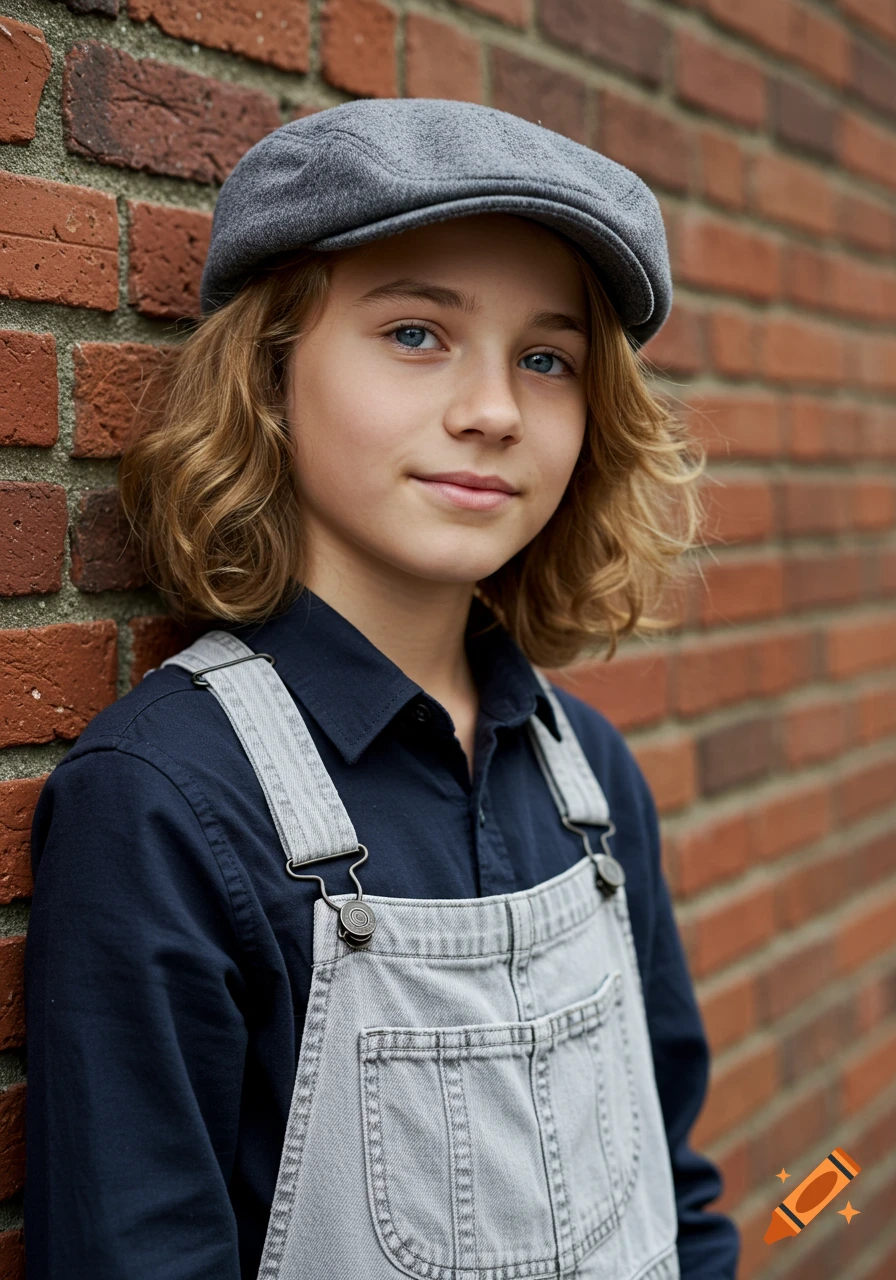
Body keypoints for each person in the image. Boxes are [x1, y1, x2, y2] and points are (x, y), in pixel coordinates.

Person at [25, 99, 740, 1278]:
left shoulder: (589, 778)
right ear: (268, 372)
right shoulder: (167, 801)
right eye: (416, 333)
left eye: (545, 359)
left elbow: (678, 1188)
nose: (492, 411)